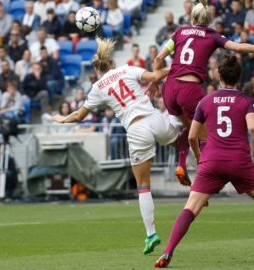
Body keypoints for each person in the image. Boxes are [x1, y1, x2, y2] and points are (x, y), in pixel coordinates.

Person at [153, 55, 254, 268]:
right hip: (239, 161)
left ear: (218, 76)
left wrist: (200, 160)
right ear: (239, 77)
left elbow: (192, 136)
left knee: (190, 208)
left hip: (212, 161)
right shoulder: (247, 101)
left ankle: (167, 252)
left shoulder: (205, 100)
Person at [53, 37, 179, 255]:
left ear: (97, 70)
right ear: (111, 63)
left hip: (137, 130)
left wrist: (62, 119)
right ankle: (193, 163)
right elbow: (156, 75)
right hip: (154, 118)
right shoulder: (128, 69)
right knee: (181, 134)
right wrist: (178, 67)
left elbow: (80, 115)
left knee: (143, 186)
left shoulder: (97, 88)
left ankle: (151, 234)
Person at [152, 0, 254, 186]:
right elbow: (238, 48)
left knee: (189, 129)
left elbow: (158, 58)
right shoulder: (211, 35)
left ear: (192, 17)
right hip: (189, 90)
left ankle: (181, 165)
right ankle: (202, 181)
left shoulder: (180, 31)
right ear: (210, 19)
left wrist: (155, 82)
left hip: (169, 88)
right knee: (206, 137)